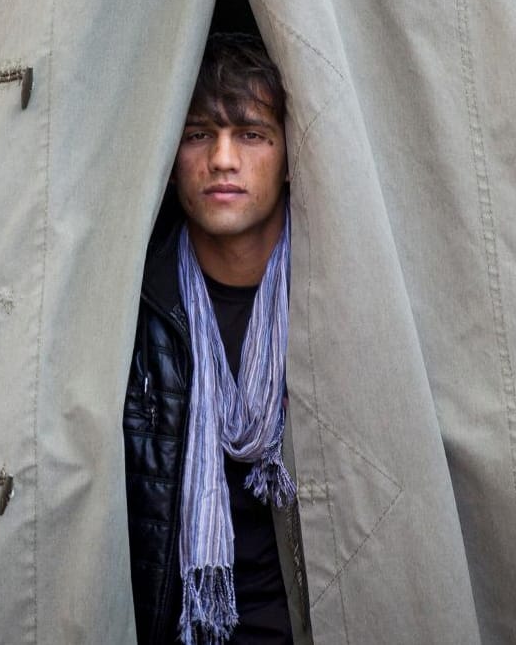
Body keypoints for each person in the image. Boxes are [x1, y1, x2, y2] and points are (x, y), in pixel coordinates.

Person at [124, 32, 307, 644]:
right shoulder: (131, 304)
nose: (222, 159)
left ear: (289, 157)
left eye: (251, 134)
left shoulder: (335, 298)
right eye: (199, 134)